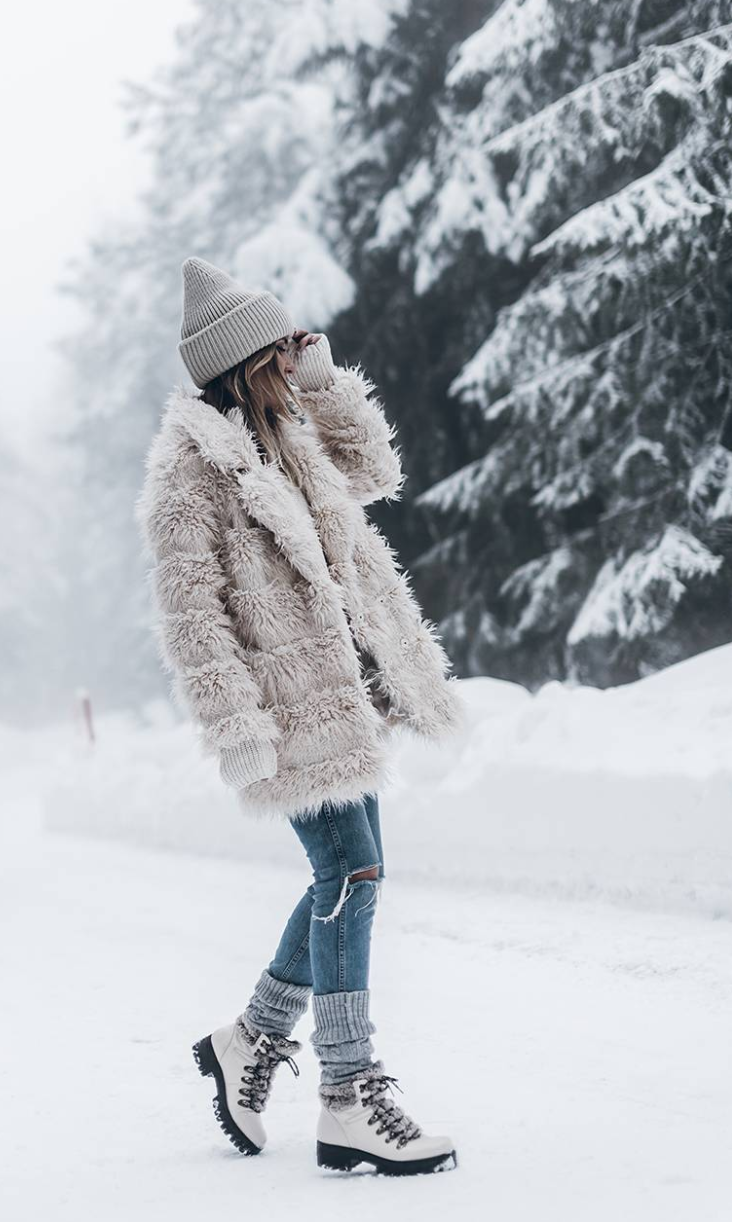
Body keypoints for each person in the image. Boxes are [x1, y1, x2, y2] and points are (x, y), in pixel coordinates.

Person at [135, 256, 466, 1176]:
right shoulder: (189, 472)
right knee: (353, 871)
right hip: (284, 709)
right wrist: (239, 728)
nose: (296, 357)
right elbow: (192, 617)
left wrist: (323, 381)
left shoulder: (287, 430)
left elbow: (378, 468)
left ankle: (254, 1037)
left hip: (341, 695)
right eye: (285, 349)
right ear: (244, 363)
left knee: (351, 871)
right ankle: (348, 1093)